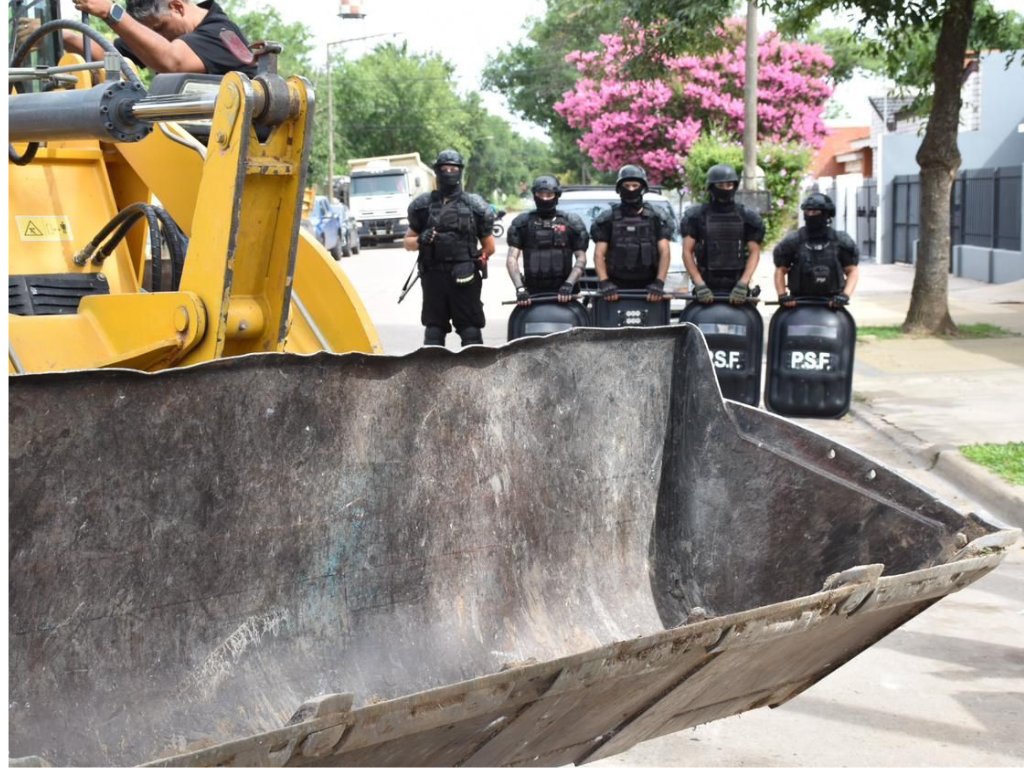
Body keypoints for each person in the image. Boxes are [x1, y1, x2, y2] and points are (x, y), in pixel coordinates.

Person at [404, 149, 496, 348]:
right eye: (444, 169)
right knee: (434, 332)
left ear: (460, 171)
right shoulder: (422, 205)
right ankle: (434, 378)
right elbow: (407, 243)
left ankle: (476, 376)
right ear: (437, 171)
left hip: (465, 279)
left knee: (470, 331)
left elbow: (489, 247)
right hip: (433, 277)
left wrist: (475, 261)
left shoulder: (475, 206)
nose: (448, 172)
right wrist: (421, 239)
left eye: (453, 168)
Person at [62, 0, 257, 77]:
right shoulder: (168, 39)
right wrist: (61, 34)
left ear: (177, 7)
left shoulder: (222, 34)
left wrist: (111, 13)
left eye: (161, 28)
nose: (158, 39)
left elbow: (172, 61)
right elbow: (107, 53)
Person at [681, 163, 765, 305]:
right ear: (711, 187)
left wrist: (743, 283)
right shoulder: (696, 216)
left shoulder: (747, 216)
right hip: (705, 287)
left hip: (737, 288)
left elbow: (754, 252)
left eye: (729, 185)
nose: (725, 189)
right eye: (720, 185)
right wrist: (699, 284)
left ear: (735, 186)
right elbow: (687, 252)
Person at [590, 164, 673, 303]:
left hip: (649, 289)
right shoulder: (608, 218)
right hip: (615, 288)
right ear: (619, 189)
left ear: (643, 188)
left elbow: (665, 252)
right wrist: (605, 283)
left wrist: (659, 283)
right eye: (626, 186)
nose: (631, 189)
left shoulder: (656, 217)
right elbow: (599, 254)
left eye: (635, 185)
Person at [506, 176, 589, 306]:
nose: (544, 199)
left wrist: (569, 284)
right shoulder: (522, 223)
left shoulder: (571, 222)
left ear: (556, 196)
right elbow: (511, 259)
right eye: (540, 194)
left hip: (565, 294)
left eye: (549, 194)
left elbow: (581, 258)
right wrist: (520, 289)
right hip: (532, 294)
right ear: (534, 195)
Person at [773, 192, 859, 309]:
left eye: (815, 212)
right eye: (807, 212)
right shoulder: (794, 241)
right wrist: (783, 296)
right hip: (799, 303)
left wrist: (845, 295)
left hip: (832, 303)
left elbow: (852, 271)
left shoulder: (839, 241)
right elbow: (780, 269)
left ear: (826, 214)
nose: (810, 215)